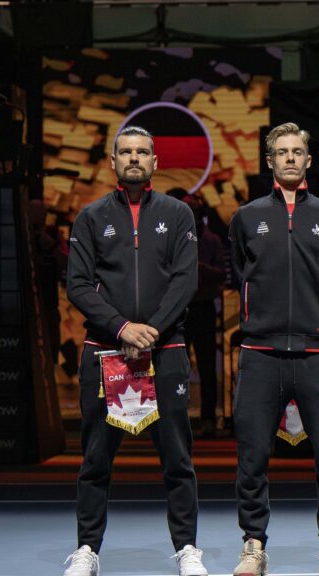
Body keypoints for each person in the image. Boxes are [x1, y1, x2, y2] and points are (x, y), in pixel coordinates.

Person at [64, 126, 206, 576]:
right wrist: (123, 327)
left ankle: (186, 548)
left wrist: (151, 330)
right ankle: (88, 550)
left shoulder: (179, 214)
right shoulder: (89, 217)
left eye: (142, 152)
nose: (134, 158)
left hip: (165, 352)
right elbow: (78, 285)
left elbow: (187, 281)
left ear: (155, 162)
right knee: (95, 460)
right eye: (125, 152)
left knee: (178, 459)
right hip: (106, 352)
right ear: (112, 162)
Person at [228, 123, 319, 576]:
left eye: (296, 151)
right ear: (269, 161)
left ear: (307, 160)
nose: (288, 158)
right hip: (260, 351)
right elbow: (238, 273)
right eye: (280, 152)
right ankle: (253, 543)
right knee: (253, 454)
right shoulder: (244, 218)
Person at [179, 191, 226, 437]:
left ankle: (208, 419)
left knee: (207, 367)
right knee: (176, 368)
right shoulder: (172, 239)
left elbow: (221, 273)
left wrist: (200, 268)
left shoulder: (212, 240)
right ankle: (175, 418)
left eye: (193, 210)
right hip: (179, 309)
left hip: (204, 307)